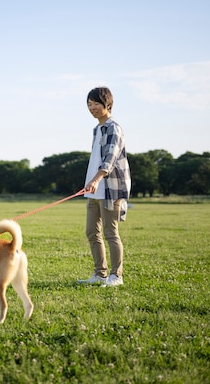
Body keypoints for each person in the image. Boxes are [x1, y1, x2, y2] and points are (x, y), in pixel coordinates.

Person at [78, 87, 131, 287]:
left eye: (96, 104)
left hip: (110, 187)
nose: (92, 108)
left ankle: (116, 276)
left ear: (107, 104)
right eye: (89, 104)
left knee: (110, 232)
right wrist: (91, 182)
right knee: (92, 231)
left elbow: (110, 158)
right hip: (94, 189)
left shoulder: (113, 128)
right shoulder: (97, 129)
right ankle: (100, 274)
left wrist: (96, 179)